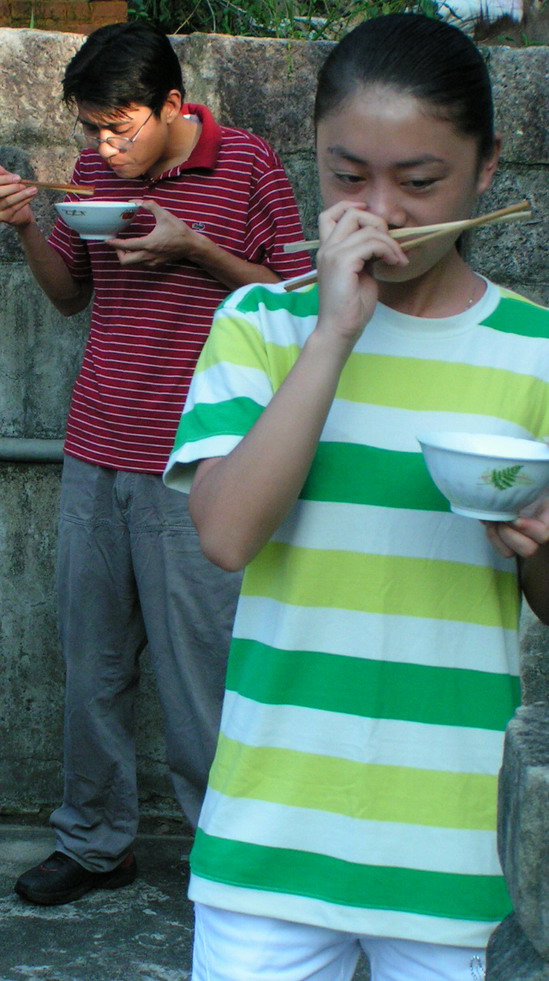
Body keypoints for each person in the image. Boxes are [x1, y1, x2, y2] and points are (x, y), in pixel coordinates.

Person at [162, 13, 549, 981]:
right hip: (268, 839)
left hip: (453, 845)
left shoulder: (536, 352)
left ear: (487, 167)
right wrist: (332, 331)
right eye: (346, 177)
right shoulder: (261, 321)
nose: (379, 212)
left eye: (418, 182)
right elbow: (226, 534)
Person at [0, 21, 311, 906]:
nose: (101, 148)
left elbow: (298, 303)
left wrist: (193, 248)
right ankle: (95, 843)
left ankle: (228, 851)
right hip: (97, 447)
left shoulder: (248, 165)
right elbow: (69, 297)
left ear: (171, 104)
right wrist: (26, 226)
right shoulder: (92, 175)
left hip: (200, 464)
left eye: (118, 127)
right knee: (91, 663)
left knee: (201, 672)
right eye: (90, 129)